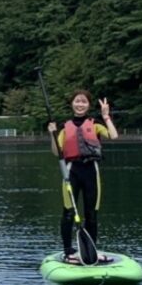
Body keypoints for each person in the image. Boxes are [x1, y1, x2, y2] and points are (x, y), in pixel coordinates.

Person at [47, 90, 118, 263]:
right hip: (71, 171)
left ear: (88, 105)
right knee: (68, 213)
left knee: (91, 214)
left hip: (91, 171)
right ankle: (68, 251)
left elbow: (114, 136)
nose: (80, 104)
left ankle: (91, 250)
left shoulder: (95, 124)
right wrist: (52, 134)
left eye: (84, 102)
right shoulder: (65, 127)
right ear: (72, 104)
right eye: (77, 101)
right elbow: (57, 152)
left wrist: (106, 116)